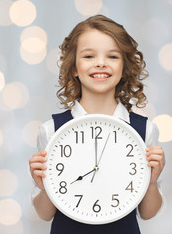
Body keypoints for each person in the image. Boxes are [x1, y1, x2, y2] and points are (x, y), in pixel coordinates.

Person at [29, 14, 165, 234]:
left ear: (124, 67)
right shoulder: (52, 130)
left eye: (112, 56)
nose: (100, 62)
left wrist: (151, 181)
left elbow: (147, 213)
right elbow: (45, 215)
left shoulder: (144, 130)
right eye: (89, 56)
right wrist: (46, 189)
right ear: (74, 67)